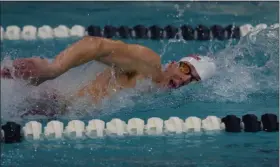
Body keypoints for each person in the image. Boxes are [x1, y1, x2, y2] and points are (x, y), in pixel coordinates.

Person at [1, 36, 216, 105]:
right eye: (186, 68)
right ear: (173, 63)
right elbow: (96, 45)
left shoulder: (154, 95)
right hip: (50, 102)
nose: (184, 79)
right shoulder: (149, 66)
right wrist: (53, 69)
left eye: (193, 80)